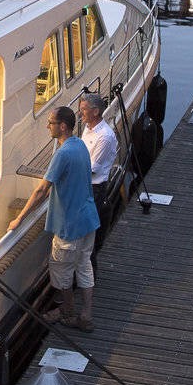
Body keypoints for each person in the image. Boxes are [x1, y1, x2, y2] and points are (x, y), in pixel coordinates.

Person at [8, 106, 99, 331]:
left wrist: (19, 218)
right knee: (84, 266)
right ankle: (86, 315)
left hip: (70, 225)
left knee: (61, 271)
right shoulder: (80, 145)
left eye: (51, 122)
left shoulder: (62, 153)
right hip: (89, 219)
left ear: (63, 126)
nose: (47, 126)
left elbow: (42, 189)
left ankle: (67, 311)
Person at [77, 92, 117, 264]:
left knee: (88, 234)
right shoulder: (88, 128)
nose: (80, 113)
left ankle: (89, 271)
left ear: (95, 111)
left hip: (94, 189)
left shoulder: (105, 137)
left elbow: (92, 169)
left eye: (84, 109)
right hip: (84, 185)